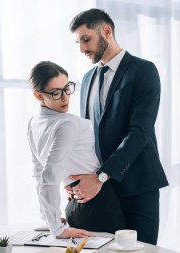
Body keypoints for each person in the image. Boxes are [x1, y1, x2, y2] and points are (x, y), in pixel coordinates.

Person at [68, 9, 169, 245]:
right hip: (101, 191)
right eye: (78, 42)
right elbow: (86, 134)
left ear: (106, 31)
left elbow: (140, 131)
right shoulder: (87, 78)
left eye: (86, 39)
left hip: (138, 186)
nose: (82, 49)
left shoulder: (143, 71)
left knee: (142, 251)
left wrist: (101, 176)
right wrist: (74, 180)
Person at [27, 61, 126, 239]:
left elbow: (39, 175)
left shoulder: (33, 123)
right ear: (38, 95)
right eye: (56, 93)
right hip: (99, 205)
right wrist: (56, 229)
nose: (65, 98)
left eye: (67, 88)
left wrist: (52, 221)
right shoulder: (67, 124)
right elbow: (47, 176)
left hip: (74, 205)